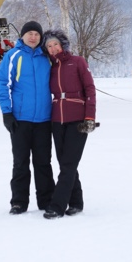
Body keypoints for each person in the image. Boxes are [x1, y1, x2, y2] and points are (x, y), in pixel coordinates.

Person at [0, 21, 55, 215]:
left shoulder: (46, 57)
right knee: (21, 162)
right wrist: (6, 112)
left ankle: (46, 200)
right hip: (20, 120)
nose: (33, 37)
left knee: (43, 162)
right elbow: (3, 84)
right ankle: (19, 202)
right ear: (22, 35)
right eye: (30, 33)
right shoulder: (13, 55)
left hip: (44, 119)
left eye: (37, 34)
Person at [41, 29, 97, 219]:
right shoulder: (51, 68)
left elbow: (90, 89)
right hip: (57, 120)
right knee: (66, 163)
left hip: (78, 120)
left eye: (55, 44)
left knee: (68, 164)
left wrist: (90, 117)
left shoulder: (78, 61)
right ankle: (76, 202)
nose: (53, 48)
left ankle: (57, 206)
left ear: (62, 44)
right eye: (49, 46)